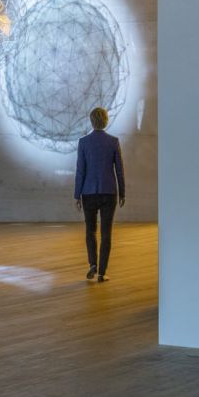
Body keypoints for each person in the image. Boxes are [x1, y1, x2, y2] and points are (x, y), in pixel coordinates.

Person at [74, 107, 125, 282]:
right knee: (106, 233)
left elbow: (80, 171)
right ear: (106, 121)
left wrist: (76, 194)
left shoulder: (83, 142)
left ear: (91, 121)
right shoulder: (113, 141)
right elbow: (119, 170)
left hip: (88, 193)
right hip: (109, 192)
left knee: (90, 231)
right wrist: (122, 193)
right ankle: (102, 272)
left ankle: (92, 265)